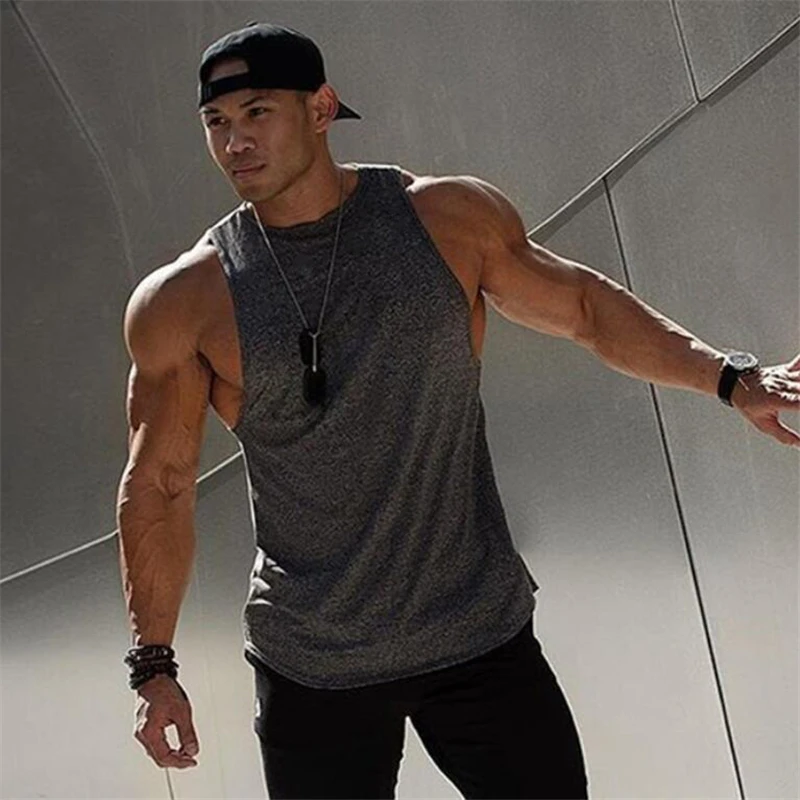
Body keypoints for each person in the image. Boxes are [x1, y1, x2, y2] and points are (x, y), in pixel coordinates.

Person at [116, 21, 800, 800]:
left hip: (478, 639)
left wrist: (729, 378)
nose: (235, 141)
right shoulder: (187, 300)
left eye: (258, 112)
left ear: (321, 108)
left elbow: (583, 307)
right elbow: (158, 482)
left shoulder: (442, 220)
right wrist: (152, 666)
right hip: (314, 665)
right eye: (217, 122)